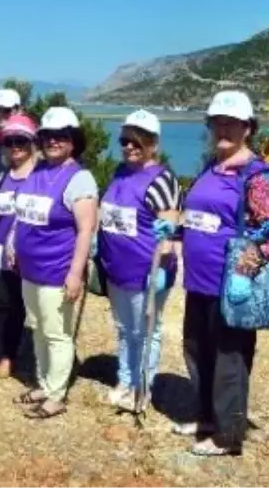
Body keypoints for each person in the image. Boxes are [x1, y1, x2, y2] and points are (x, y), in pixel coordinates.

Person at [178, 91, 269, 457]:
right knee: (197, 350)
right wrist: (175, 230)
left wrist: (244, 270)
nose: (222, 128)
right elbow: (201, 216)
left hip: (230, 285)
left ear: (248, 128)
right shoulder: (211, 165)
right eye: (217, 122)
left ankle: (228, 436)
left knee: (229, 360)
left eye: (231, 123)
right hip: (199, 282)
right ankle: (206, 416)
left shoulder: (256, 175)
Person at [11, 106, 99, 419]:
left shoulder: (80, 178)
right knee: (37, 329)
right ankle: (44, 383)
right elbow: (23, 214)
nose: (53, 142)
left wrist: (75, 273)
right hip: (29, 270)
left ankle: (56, 393)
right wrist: (12, 243)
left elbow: (87, 229)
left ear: (73, 140)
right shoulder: (38, 171)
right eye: (47, 136)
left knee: (57, 333)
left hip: (56, 271)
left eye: (61, 136)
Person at [99, 110, 182, 412]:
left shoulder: (163, 180)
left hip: (146, 272)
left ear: (154, 144)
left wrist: (162, 269)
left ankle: (142, 386)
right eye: (125, 140)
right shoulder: (120, 172)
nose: (130, 146)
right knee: (124, 328)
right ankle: (125, 378)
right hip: (115, 268)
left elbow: (170, 232)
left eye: (139, 141)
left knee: (146, 330)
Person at [0, 114, 38, 379]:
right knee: (7, 306)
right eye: (9, 141)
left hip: (32, 256)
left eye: (21, 141)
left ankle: (42, 356)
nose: (15, 146)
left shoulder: (41, 177)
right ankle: (7, 354)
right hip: (3, 254)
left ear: (32, 143)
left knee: (36, 309)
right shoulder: (2, 177)